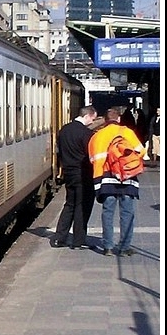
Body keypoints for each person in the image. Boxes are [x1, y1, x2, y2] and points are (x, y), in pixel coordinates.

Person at [88, 106, 145, 257]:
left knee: (108, 212)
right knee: (127, 213)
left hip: (105, 179)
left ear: (105, 120)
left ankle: (107, 246)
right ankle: (125, 247)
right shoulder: (127, 132)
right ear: (118, 119)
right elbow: (141, 151)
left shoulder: (97, 136)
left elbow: (92, 159)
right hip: (127, 178)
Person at [51, 105, 97, 249]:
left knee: (69, 204)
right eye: (93, 119)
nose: (92, 122)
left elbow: (59, 151)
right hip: (83, 173)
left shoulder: (64, 130)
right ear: (87, 116)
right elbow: (90, 154)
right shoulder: (85, 133)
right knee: (82, 205)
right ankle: (78, 240)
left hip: (69, 172)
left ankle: (59, 238)